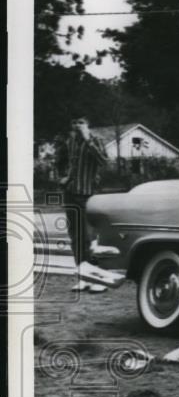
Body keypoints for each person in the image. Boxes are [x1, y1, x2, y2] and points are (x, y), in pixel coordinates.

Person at [57, 116, 108, 292]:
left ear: (88, 124)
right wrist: (64, 178)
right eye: (74, 122)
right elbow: (66, 163)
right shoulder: (70, 142)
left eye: (81, 122)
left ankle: (99, 279)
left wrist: (88, 140)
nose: (77, 126)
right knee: (76, 238)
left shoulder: (96, 140)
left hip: (88, 195)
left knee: (90, 237)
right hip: (71, 193)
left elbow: (104, 161)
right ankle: (84, 277)